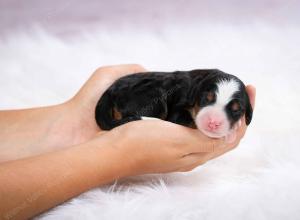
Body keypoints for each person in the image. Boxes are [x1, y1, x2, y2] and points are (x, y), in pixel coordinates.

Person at [0, 64, 256, 220]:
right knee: (155, 99)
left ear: (246, 114)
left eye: (232, 110)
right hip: (130, 95)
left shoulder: (195, 89)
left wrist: (73, 121)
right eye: (208, 101)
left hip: (125, 98)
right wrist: (119, 151)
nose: (214, 119)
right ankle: (131, 116)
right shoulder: (183, 94)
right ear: (198, 94)